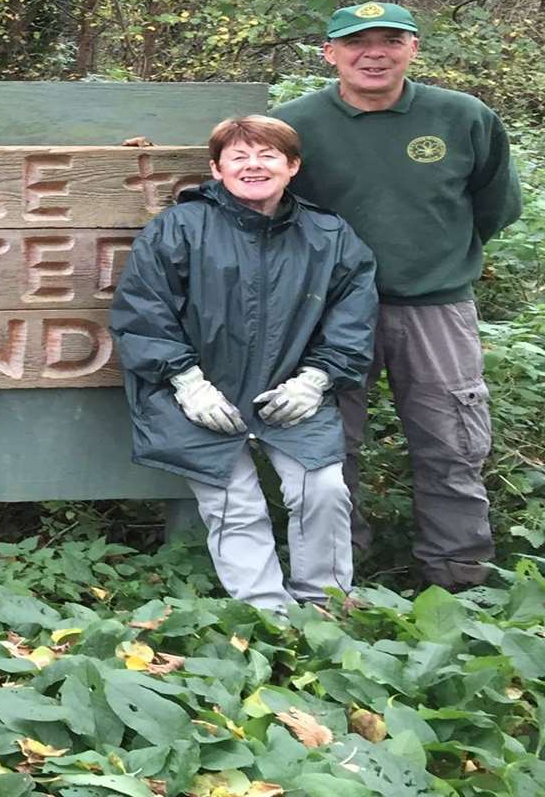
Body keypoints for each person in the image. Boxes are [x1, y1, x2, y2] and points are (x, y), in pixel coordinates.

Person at [274, 2, 522, 590]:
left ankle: (457, 577)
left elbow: (494, 205)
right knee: (329, 449)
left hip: (434, 306)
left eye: (391, 39)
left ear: (413, 49)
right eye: (357, 42)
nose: (374, 53)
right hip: (326, 313)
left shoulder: (463, 117)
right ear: (330, 53)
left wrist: (436, 256)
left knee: (452, 444)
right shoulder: (292, 123)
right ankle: (334, 583)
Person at [109, 116, 378, 611]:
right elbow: (143, 313)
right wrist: (187, 382)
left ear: (292, 166)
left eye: (268, 155)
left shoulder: (330, 235)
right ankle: (268, 615)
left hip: (292, 391)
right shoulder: (179, 228)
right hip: (194, 393)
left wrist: (317, 379)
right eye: (238, 156)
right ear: (216, 169)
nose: (253, 165)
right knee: (234, 501)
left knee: (323, 489)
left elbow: (352, 316)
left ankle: (326, 605)